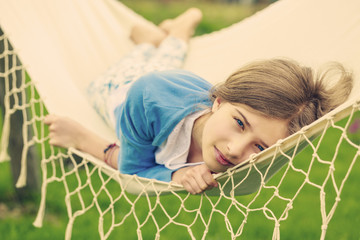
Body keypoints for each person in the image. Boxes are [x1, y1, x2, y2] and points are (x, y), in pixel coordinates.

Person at [44, 8, 353, 195]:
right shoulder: (148, 97)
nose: (234, 150)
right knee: (133, 66)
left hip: (174, 81)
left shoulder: (253, 149)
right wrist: (175, 174)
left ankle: (166, 38)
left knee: (167, 61)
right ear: (218, 101)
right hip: (127, 90)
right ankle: (166, 35)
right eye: (239, 123)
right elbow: (133, 169)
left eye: (259, 147)